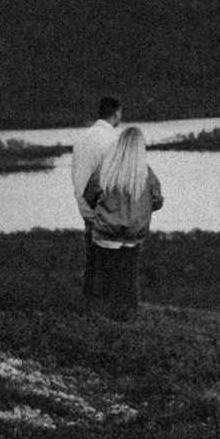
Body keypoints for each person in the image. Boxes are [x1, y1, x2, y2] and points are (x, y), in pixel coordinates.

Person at [79, 121, 162, 314]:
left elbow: (89, 195)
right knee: (129, 280)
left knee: (105, 280)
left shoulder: (105, 169)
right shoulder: (146, 174)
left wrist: (106, 209)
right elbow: (157, 201)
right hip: (133, 235)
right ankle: (128, 318)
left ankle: (103, 320)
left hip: (106, 234)